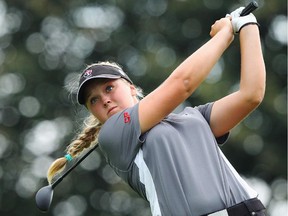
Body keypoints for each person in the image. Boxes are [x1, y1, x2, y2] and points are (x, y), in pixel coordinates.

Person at [47, 6, 266, 216]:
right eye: (94, 100)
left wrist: (247, 25)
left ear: (131, 88)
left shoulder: (196, 116)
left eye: (109, 88)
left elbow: (251, 95)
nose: (104, 100)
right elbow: (183, 84)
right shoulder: (112, 135)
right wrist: (224, 36)